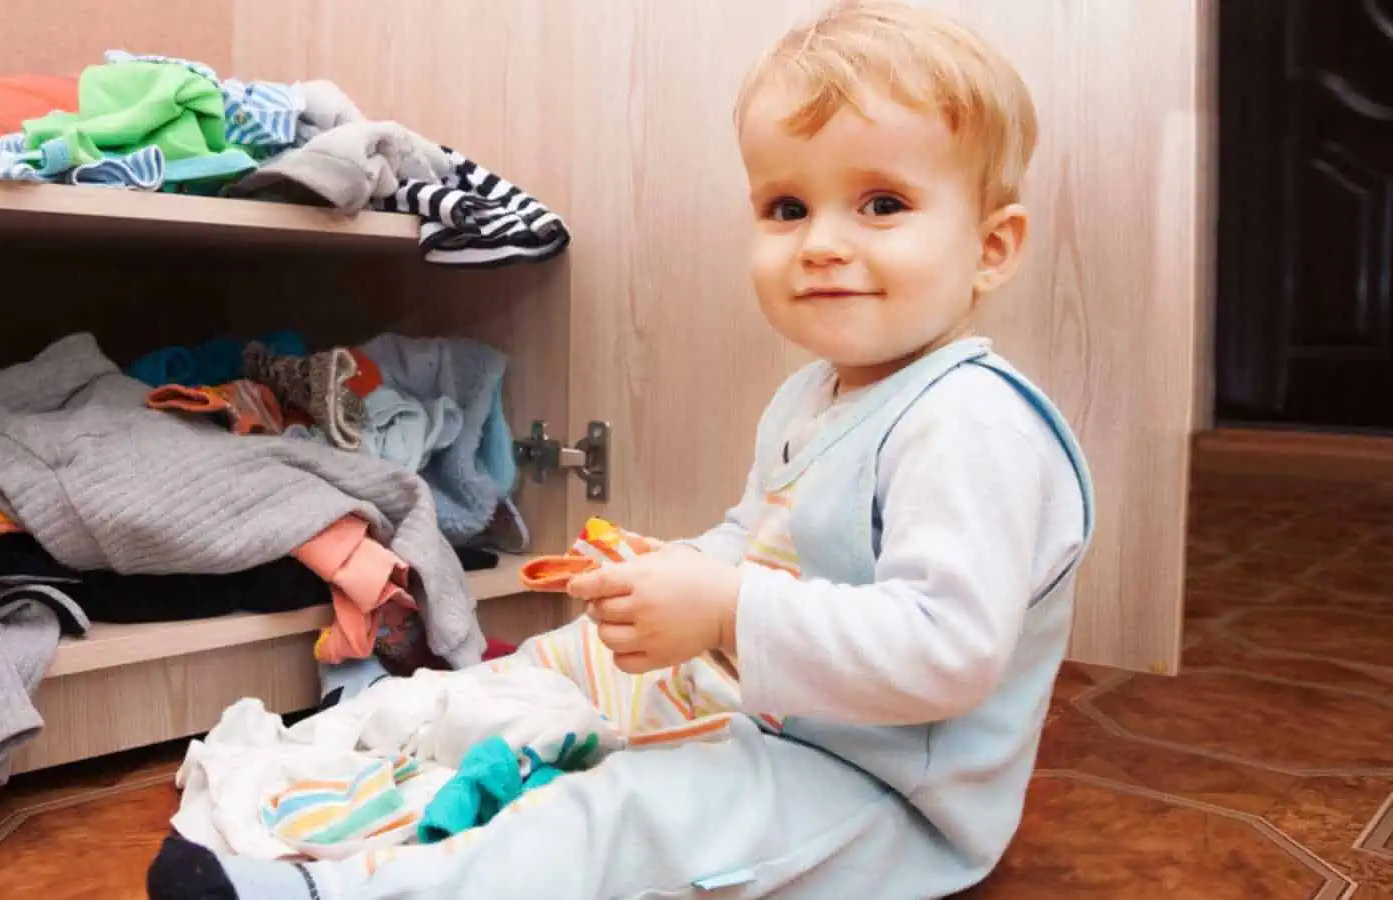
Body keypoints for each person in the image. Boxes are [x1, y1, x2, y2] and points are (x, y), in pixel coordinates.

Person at [147, 1, 1092, 897]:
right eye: (788, 208)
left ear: (992, 248)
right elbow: (760, 539)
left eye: (883, 205)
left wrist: (724, 609)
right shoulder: (816, 394)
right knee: (554, 666)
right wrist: (673, 574)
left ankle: (363, 886)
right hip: (779, 713)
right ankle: (328, 757)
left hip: (879, 794)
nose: (822, 245)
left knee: (623, 816)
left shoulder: (971, 424)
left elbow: (948, 653)